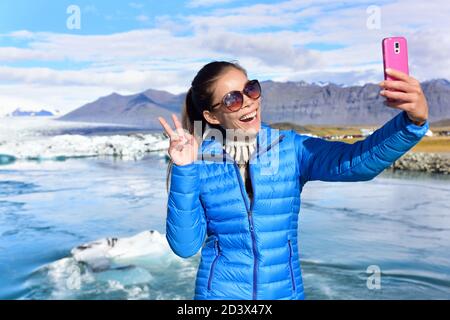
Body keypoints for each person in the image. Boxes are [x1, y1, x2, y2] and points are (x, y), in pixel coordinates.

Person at [158, 61, 429, 300]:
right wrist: (184, 169)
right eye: (233, 99)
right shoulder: (201, 162)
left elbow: (356, 163)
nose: (249, 101)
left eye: (251, 89)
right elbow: (185, 245)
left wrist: (413, 121)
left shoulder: (290, 148)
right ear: (212, 115)